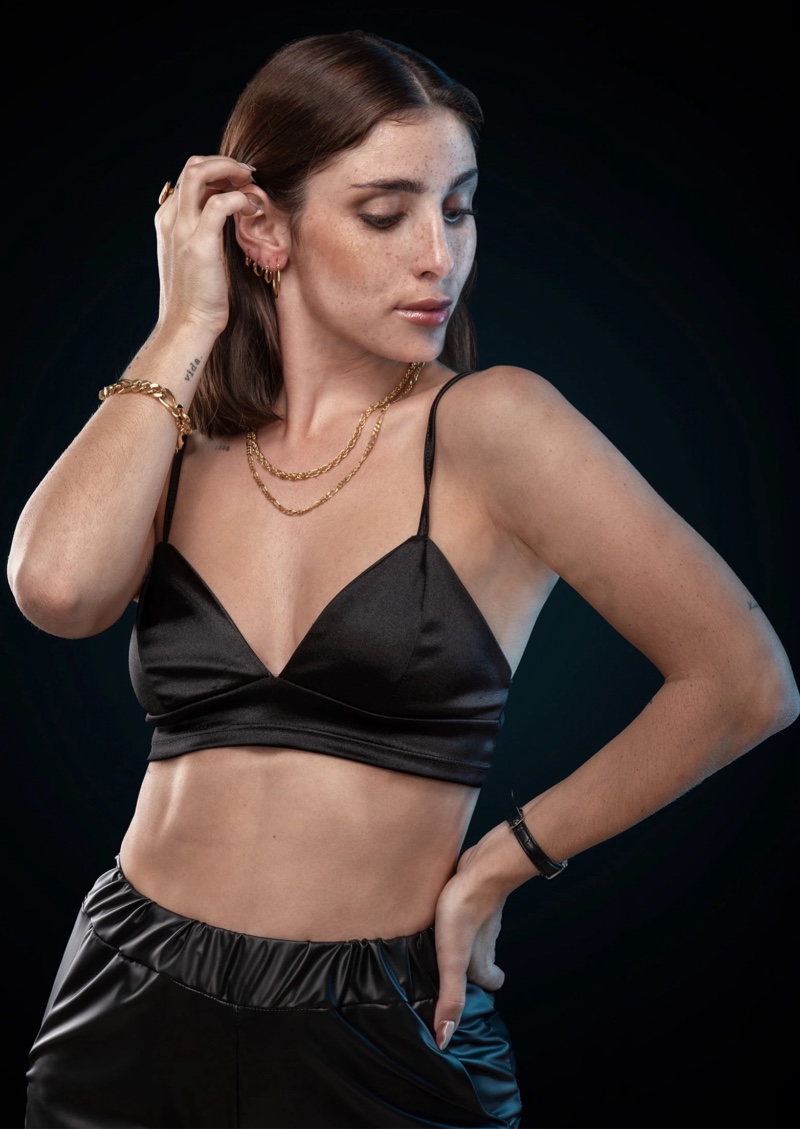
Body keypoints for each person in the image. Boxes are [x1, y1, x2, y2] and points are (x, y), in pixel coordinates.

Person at [8, 28, 797, 1129]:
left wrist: (506, 860)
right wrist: (184, 320)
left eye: (458, 208)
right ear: (263, 229)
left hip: (382, 1023)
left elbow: (743, 680)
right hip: (126, 993)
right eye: (385, 213)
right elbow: (55, 591)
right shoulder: (180, 441)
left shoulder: (494, 425)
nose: (438, 254)